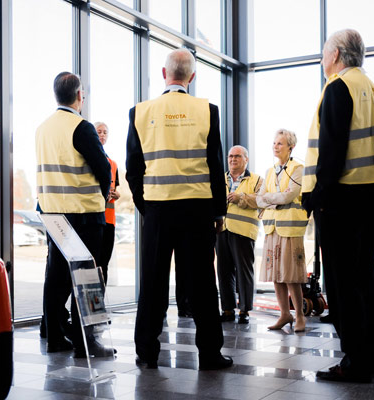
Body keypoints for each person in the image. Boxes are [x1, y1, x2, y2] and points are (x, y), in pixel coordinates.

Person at [126, 48, 231, 370]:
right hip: (197, 210)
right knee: (202, 284)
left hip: (158, 209)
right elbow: (215, 166)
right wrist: (218, 212)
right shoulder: (207, 110)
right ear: (192, 77)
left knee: (153, 283)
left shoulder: (140, 112)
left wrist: (147, 207)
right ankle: (210, 354)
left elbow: (133, 169)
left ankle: (147, 352)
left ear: (163, 74)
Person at [302, 29, 374, 383]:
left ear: (336, 54)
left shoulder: (339, 86)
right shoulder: (371, 89)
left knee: (341, 287)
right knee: (365, 280)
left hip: (342, 200)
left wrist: (316, 198)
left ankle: (355, 362)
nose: (323, 59)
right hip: (370, 199)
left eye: (324, 53)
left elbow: (333, 149)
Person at [36, 71, 114, 358]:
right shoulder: (81, 127)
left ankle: (55, 336)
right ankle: (87, 342)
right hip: (83, 213)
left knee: (56, 277)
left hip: (52, 212)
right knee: (88, 278)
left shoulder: (42, 128)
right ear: (80, 96)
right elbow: (102, 168)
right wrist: (104, 193)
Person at [256, 129, 309, 333]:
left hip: (290, 228)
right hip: (272, 228)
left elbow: (289, 196)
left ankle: (300, 316)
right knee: (276, 274)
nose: (275, 146)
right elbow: (259, 198)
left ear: (290, 147)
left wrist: (270, 198)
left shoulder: (298, 168)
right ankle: (284, 314)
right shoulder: (270, 171)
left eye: (280, 143)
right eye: (274, 143)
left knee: (291, 275)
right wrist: (271, 198)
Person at [216, 145, 262, 324]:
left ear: (246, 159)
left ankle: (244, 310)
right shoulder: (221, 179)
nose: (232, 159)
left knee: (244, 272)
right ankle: (227, 309)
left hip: (243, 231)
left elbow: (260, 200)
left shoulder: (257, 180)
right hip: (222, 229)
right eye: (230, 157)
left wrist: (240, 198)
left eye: (237, 156)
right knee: (224, 271)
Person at [94, 121, 120, 286]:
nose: (102, 134)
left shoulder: (113, 164)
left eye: (105, 132)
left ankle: (100, 303)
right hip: (94, 218)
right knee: (93, 263)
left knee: (104, 263)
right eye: (99, 131)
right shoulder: (91, 160)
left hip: (109, 220)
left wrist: (116, 194)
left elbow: (115, 189)